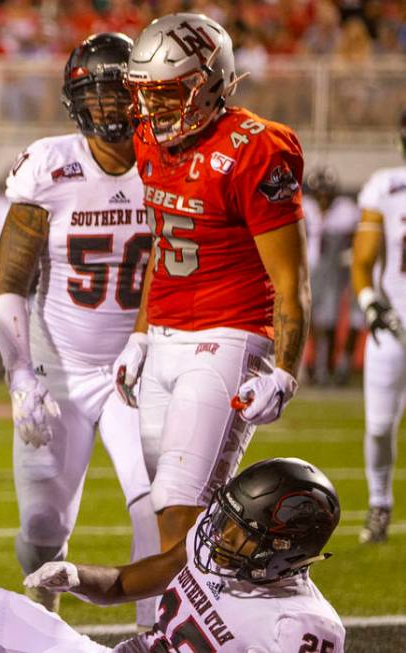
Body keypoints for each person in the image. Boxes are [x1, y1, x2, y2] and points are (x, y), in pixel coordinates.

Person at [115, 12, 311, 554]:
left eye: (167, 93)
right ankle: (191, 629)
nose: (153, 107)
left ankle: (190, 636)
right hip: (164, 339)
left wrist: (286, 372)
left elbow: (290, 277)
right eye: (146, 94)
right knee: (173, 515)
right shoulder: (150, 141)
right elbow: (163, 241)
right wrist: (139, 333)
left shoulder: (257, 148)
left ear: (210, 81)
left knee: (182, 511)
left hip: (228, 335)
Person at [0, 457, 346, 653]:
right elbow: (121, 584)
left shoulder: (298, 627)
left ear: (285, 550)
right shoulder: (220, 550)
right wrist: (74, 575)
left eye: (240, 534)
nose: (220, 539)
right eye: (224, 521)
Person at [0, 32, 158, 622]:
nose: (108, 107)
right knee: (41, 526)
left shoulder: (168, 161)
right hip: (55, 369)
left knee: (156, 511)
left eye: (118, 93)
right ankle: (44, 607)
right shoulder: (50, 164)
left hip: (137, 368)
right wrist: (19, 378)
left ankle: (153, 634)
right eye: (96, 95)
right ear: (74, 100)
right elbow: (8, 283)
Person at [350, 109, 406, 544]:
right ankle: (379, 504)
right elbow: (364, 260)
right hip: (394, 325)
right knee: (378, 426)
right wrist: (370, 303)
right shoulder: (387, 186)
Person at [303, 167, 361, 386]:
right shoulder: (304, 207)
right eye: (320, 193)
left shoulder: (345, 211)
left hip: (331, 271)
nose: (323, 198)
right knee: (308, 323)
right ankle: (311, 366)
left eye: (327, 193)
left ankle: (324, 368)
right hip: (305, 271)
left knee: (328, 322)